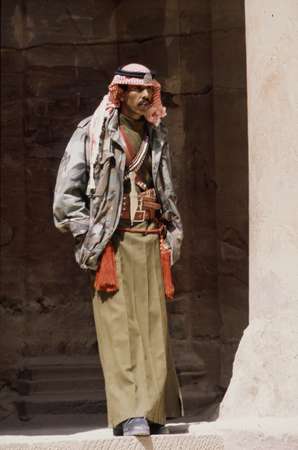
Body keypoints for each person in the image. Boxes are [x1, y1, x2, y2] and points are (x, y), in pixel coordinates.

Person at [53, 63, 183, 436]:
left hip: (151, 239)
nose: (144, 97)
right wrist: (89, 234)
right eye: (136, 90)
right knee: (119, 330)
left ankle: (154, 412)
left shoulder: (156, 135)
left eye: (149, 91)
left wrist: (171, 233)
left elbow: (165, 188)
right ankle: (129, 413)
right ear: (119, 92)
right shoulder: (93, 133)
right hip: (114, 243)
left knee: (154, 329)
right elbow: (66, 197)